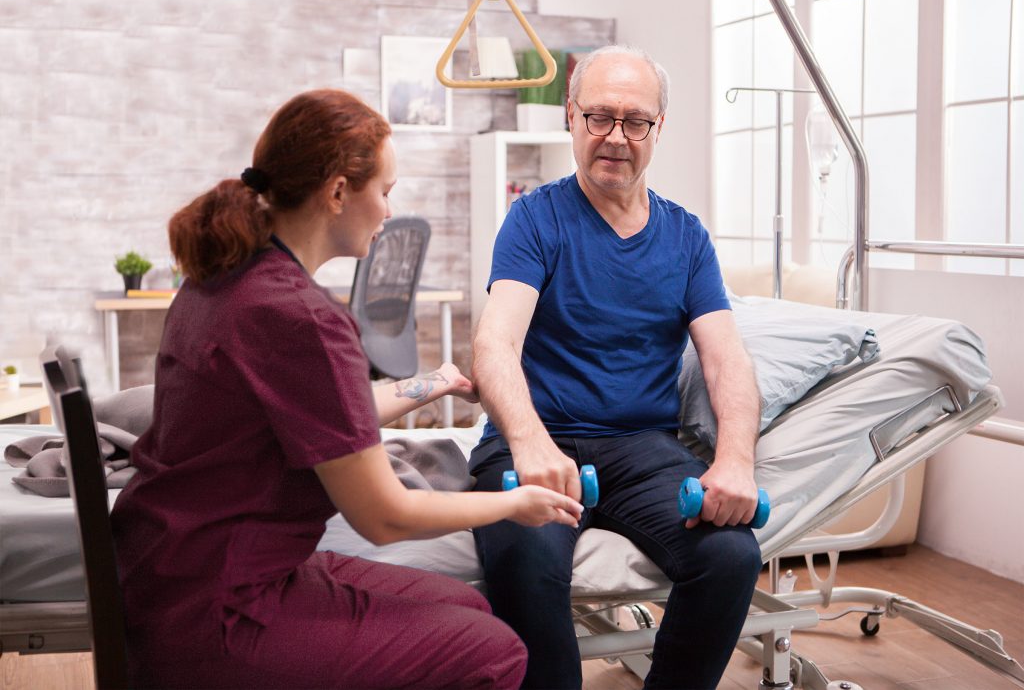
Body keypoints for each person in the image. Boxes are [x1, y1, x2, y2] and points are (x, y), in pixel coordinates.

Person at [109, 88, 583, 689]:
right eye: (384, 191)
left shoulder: (227, 278)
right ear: (337, 192)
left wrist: (436, 382)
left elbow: (331, 412)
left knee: (470, 610)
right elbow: (384, 517)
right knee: (494, 654)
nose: (389, 212)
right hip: (219, 611)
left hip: (174, 571)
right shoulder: (299, 316)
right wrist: (518, 505)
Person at [470, 45, 764, 689]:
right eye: (599, 117)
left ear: (659, 129)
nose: (616, 137)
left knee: (731, 554)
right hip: (534, 442)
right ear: (570, 117)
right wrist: (529, 443)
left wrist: (736, 458)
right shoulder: (534, 218)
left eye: (636, 122)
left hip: (640, 449)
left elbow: (726, 361)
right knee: (524, 557)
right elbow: (494, 345)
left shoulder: (686, 237)